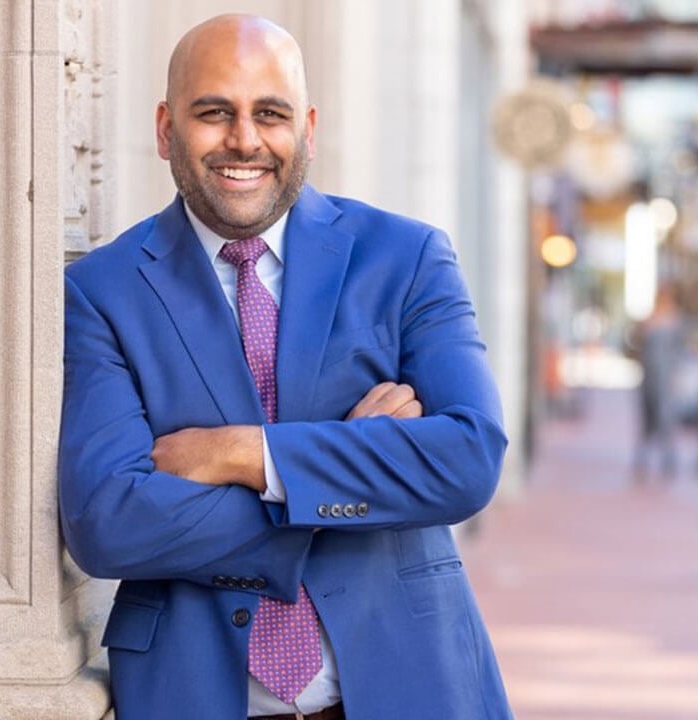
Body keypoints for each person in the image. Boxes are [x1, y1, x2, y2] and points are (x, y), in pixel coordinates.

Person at [57, 14, 512, 720]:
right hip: (196, 696)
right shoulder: (102, 292)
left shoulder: (406, 259)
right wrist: (354, 470)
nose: (244, 139)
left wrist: (244, 454)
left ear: (308, 127)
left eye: (270, 114)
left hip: (410, 685)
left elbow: (467, 459)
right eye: (213, 113)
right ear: (163, 128)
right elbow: (108, 523)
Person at [631, 284, 684, 481]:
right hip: (649, 378)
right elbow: (636, 345)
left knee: (665, 420)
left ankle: (668, 460)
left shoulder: (674, 321)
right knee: (647, 420)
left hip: (665, 379)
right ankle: (642, 460)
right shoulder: (650, 321)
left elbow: (679, 351)